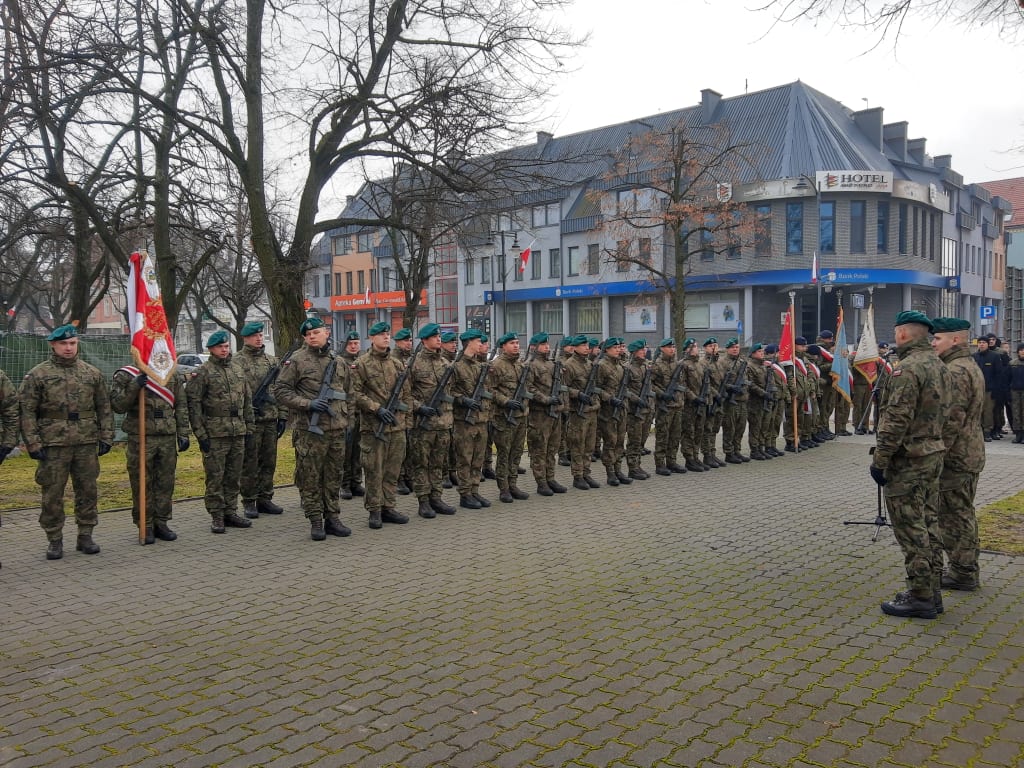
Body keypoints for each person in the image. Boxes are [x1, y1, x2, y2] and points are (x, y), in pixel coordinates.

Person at [870, 311, 951, 619]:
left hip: (910, 460)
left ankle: (920, 596)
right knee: (929, 523)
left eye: (896, 332)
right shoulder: (939, 366)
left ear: (903, 334)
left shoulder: (907, 369)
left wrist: (881, 460)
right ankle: (933, 590)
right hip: (932, 453)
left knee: (910, 527)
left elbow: (895, 420)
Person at [19, 324, 115, 559]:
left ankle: (86, 535)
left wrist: (106, 436)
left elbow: (104, 407)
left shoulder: (92, 374)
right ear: (53, 345)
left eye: (72, 343)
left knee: (88, 490)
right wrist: (32, 442)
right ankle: (54, 538)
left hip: (85, 441)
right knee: (52, 494)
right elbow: (27, 411)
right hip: (53, 443)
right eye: (63, 344)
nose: (68, 348)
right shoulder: (38, 375)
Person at [272, 317, 352, 540]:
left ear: (326, 332)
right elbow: (281, 391)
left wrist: (349, 422)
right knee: (311, 477)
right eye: (308, 334)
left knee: (334, 475)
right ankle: (316, 520)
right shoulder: (297, 361)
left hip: (336, 428)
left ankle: (333, 517)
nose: (312, 336)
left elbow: (349, 394)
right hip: (309, 431)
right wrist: (307, 404)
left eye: (316, 332)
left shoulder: (339, 361)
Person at [930, 317, 986, 591]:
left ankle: (963, 572)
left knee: (954, 515)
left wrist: (936, 453)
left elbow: (951, 419)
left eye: (937, 338)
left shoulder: (955, 370)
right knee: (962, 511)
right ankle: (965, 568)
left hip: (956, 456)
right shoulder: (967, 364)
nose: (933, 343)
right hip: (968, 451)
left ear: (955, 339)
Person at [109, 360, 190, 543]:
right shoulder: (127, 374)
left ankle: (161, 522)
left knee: (165, 482)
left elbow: (181, 404)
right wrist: (134, 386)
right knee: (141, 481)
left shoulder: (170, 373)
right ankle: (144, 523)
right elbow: (118, 406)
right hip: (141, 435)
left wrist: (183, 433)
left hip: (167, 435)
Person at [187, 330, 254, 534]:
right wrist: (201, 434)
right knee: (216, 476)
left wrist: (249, 427)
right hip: (215, 432)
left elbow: (247, 400)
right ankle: (217, 515)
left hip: (237, 430)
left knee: (234, 475)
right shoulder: (203, 372)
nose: (224, 350)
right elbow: (194, 405)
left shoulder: (237, 369)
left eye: (226, 346)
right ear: (211, 350)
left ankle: (231, 511)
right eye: (220, 347)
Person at [351, 322, 411, 529]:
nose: (386, 338)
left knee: (392, 470)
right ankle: (374, 510)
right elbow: (355, 394)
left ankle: (389, 507)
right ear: (371, 338)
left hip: (396, 426)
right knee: (374, 469)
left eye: (387, 335)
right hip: (373, 427)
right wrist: (376, 408)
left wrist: (404, 420)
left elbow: (406, 395)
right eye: (381, 335)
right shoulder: (361, 364)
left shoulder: (396, 364)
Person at [236, 321, 286, 518]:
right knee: (250, 462)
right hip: (251, 420)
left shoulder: (272, 362)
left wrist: (282, 415)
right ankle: (249, 500)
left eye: (261, 335)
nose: (259, 338)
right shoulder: (237, 362)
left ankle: (265, 498)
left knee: (269, 461)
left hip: (270, 419)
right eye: (254, 335)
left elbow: (280, 389)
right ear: (245, 338)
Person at [408, 323, 456, 518]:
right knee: (421, 464)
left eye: (439, 337)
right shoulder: (414, 363)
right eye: (435, 337)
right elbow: (405, 394)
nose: (439, 339)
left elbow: (451, 392)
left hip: (442, 423)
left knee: (438, 464)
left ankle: (436, 498)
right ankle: (424, 501)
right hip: (423, 425)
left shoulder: (444, 364)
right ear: (424, 340)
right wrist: (419, 407)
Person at [450, 329, 493, 509]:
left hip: (480, 419)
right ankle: (465, 494)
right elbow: (449, 392)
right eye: (477, 341)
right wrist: (463, 400)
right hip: (464, 421)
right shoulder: (456, 366)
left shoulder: (478, 366)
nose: (481, 344)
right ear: (469, 343)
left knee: (478, 458)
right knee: (465, 459)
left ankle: (475, 491)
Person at [487, 332, 531, 503]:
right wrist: (506, 401)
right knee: (504, 453)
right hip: (504, 417)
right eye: (512, 343)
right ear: (503, 346)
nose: (515, 345)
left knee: (517, 453)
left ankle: (513, 484)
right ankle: (503, 488)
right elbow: (490, 389)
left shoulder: (520, 365)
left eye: (517, 342)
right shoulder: (497, 365)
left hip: (521, 416)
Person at [525, 331, 566, 496]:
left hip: (555, 413)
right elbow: (529, 388)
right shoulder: (530, 365)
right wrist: (546, 399)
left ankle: (551, 478)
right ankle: (541, 482)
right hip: (540, 414)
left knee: (552, 448)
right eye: (543, 345)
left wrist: (560, 403)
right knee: (539, 449)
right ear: (534, 347)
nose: (547, 347)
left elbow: (561, 386)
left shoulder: (552, 364)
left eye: (547, 344)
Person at [562, 335, 601, 490]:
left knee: (589, 446)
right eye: (583, 345)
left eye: (587, 345)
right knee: (578, 445)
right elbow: (565, 387)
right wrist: (578, 394)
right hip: (578, 411)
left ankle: (586, 473)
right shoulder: (569, 365)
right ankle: (577, 476)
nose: (586, 347)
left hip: (591, 410)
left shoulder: (590, 364)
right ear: (575, 347)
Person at [595, 337, 632, 486]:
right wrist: (609, 399)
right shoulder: (601, 365)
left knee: (620, 441)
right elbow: (596, 387)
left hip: (621, 408)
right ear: (607, 349)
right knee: (610, 441)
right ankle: (610, 473)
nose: (618, 350)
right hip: (608, 410)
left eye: (619, 347)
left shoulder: (620, 366)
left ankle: (618, 470)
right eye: (615, 348)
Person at [650, 338, 686, 476]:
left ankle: (672, 461)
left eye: (674, 347)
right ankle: (660, 464)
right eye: (669, 347)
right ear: (662, 348)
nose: (673, 349)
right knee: (663, 436)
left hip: (677, 405)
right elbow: (650, 384)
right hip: (665, 407)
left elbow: (682, 383)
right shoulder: (657, 365)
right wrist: (662, 394)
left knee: (675, 436)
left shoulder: (677, 364)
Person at [339, 331, 365, 500]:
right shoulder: (340, 362)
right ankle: (345, 484)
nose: (354, 346)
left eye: (356, 343)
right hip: (348, 412)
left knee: (359, 450)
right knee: (346, 451)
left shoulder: (363, 361)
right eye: (351, 344)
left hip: (362, 412)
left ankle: (356, 481)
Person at [624, 338, 653, 480]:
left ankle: (638, 465)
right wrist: (637, 399)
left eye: (645, 349)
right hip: (634, 410)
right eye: (641, 350)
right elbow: (624, 389)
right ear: (634, 352)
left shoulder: (645, 367)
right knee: (634, 440)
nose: (644, 351)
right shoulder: (627, 368)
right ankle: (632, 468)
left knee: (641, 439)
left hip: (646, 409)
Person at [720, 337, 750, 464]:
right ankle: (729, 452)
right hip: (730, 401)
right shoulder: (723, 362)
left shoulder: (742, 361)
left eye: (737, 347)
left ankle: (737, 450)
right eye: (732, 347)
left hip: (742, 400)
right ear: (727, 349)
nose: (735, 349)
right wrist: (732, 388)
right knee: (729, 428)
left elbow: (747, 378)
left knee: (740, 427)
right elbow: (720, 382)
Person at [1010, 343, 1024, 443]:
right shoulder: (1012, 363)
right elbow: (1007, 378)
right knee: (1016, 412)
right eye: (1021, 349)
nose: (1023, 351)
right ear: (1018, 351)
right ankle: (1018, 434)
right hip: (1014, 391)